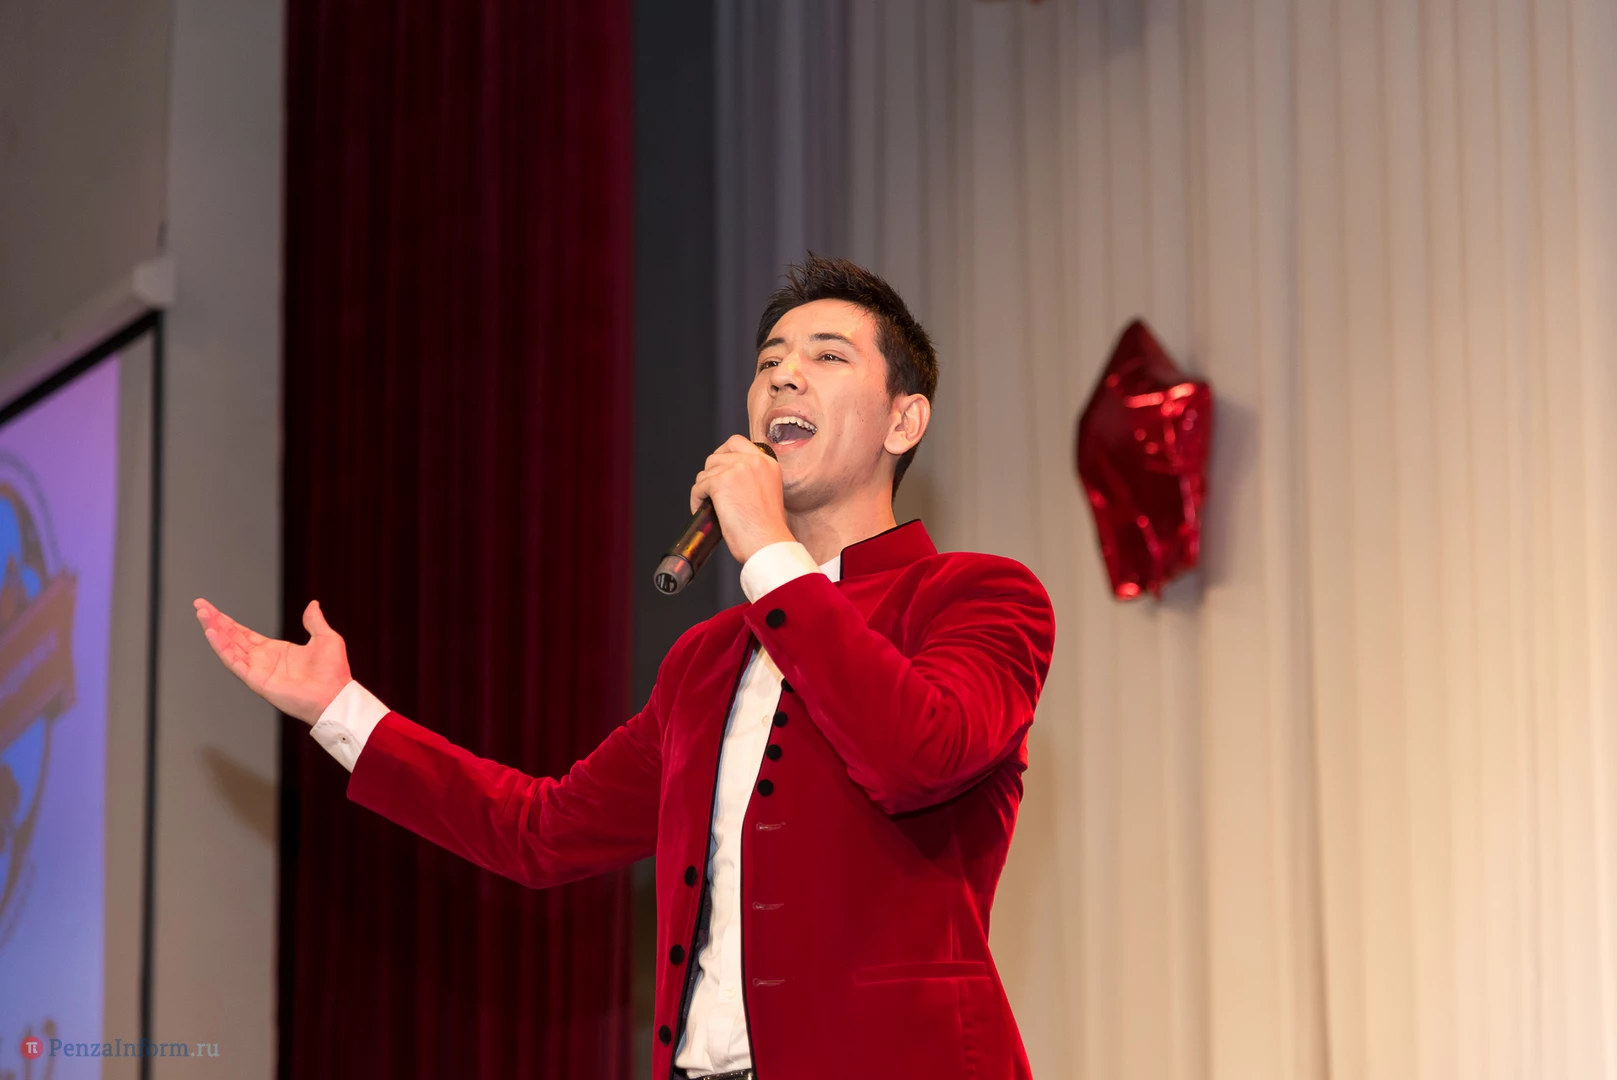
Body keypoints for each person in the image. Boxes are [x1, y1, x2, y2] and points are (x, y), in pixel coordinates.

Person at [194, 255, 1055, 1080]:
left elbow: (915, 754)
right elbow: (538, 831)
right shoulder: (704, 662)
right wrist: (340, 709)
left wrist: (766, 548)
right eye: (768, 362)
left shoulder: (977, 595)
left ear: (904, 421)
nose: (783, 378)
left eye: (826, 357)